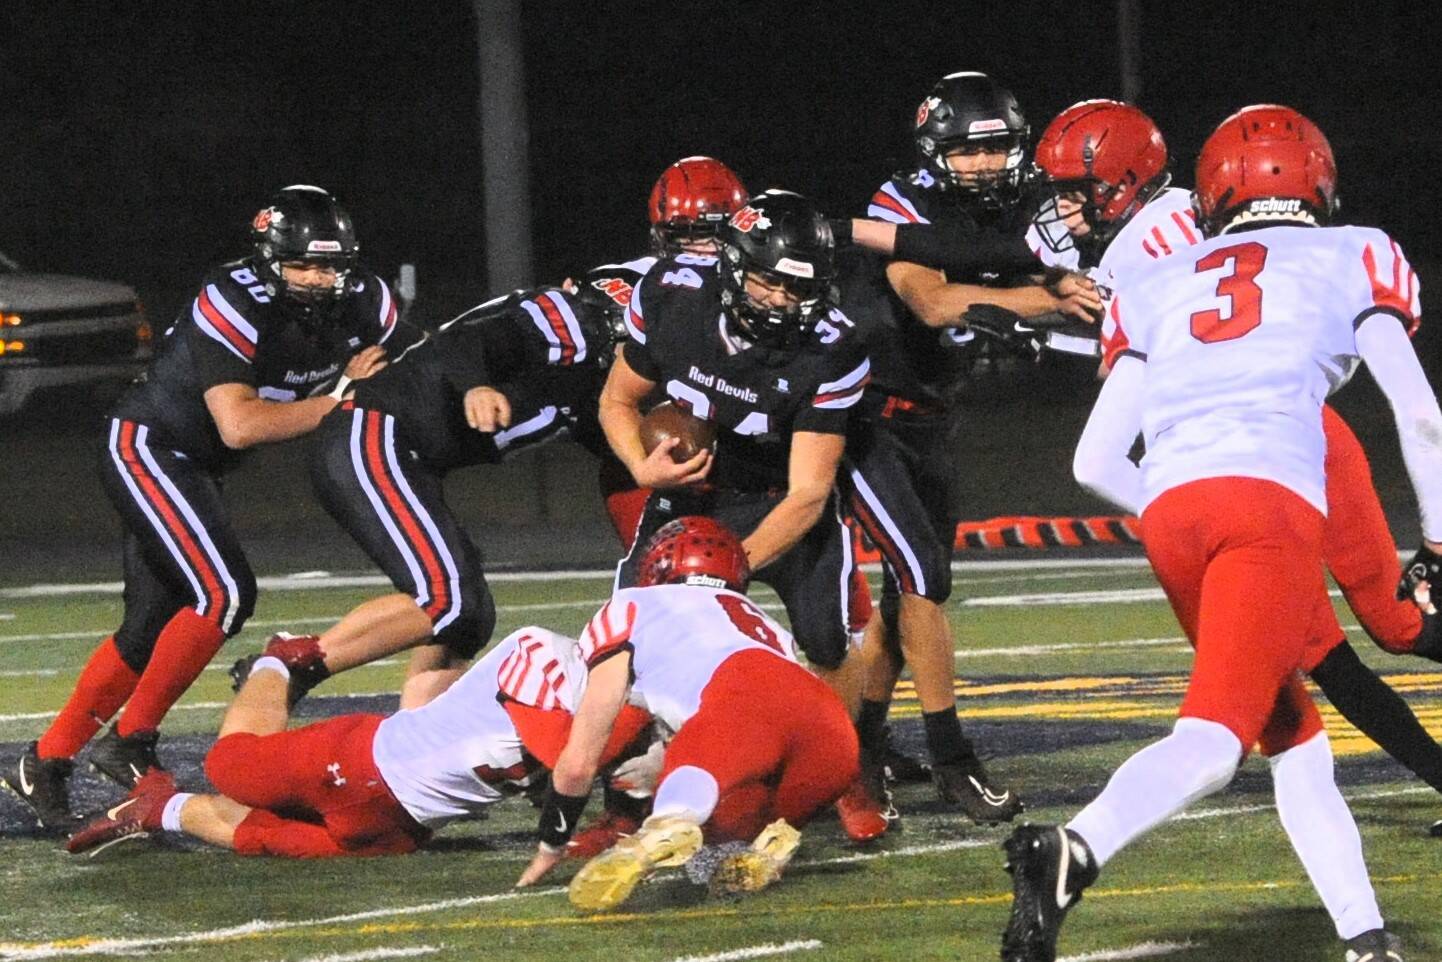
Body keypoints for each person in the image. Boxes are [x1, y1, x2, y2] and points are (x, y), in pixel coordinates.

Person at [1000, 105, 1434, 962]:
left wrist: (1182, 504)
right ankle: (1074, 848)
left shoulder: (1160, 279)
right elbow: (1419, 416)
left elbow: (1094, 458)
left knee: (1295, 735)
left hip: (1172, 508)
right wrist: (1441, 543)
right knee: (1213, 740)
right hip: (1267, 496)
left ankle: (1366, 937)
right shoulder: (1358, 249)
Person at [3, 186, 403, 832]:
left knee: (149, 624)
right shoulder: (234, 297)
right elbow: (240, 424)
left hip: (197, 463)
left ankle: (45, 761)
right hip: (150, 446)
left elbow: (410, 358)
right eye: (303, 265)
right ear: (270, 260)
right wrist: (344, 400)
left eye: (331, 266)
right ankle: (130, 740)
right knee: (222, 593)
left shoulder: (366, 300)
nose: (319, 279)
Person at [837, 72, 1102, 830]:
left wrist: (1056, 271)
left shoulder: (1031, 202)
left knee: (905, 592)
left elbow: (1042, 256)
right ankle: (953, 758)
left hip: (929, 415)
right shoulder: (902, 200)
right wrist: (1051, 294)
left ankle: (864, 740)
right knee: (924, 577)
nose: (985, 164)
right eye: (967, 150)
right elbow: (935, 300)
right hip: (864, 414)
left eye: (997, 148)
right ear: (933, 151)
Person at [237, 281, 624, 710]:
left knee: (467, 619)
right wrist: (476, 385)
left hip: (402, 454)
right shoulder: (565, 326)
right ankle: (289, 662)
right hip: (372, 430)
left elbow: (627, 457)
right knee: (449, 600)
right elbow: (459, 342)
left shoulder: (602, 393)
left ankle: (414, 740)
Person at [514, 517, 860, 909]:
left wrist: (550, 845)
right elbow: (775, 716)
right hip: (833, 735)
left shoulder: (631, 604)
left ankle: (667, 823)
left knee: (691, 792)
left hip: (742, 700)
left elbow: (580, 761)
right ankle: (767, 843)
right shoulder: (762, 620)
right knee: (716, 849)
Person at [66, 627, 651, 858]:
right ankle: (277, 664)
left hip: (403, 824)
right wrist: (643, 743)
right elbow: (565, 757)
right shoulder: (545, 654)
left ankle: (158, 806)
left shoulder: (631, 703)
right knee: (230, 765)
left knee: (265, 839)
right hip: (353, 759)